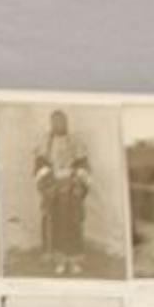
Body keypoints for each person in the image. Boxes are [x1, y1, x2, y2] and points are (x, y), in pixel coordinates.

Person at [34, 108, 90, 274]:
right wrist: (49, 183)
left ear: (66, 122)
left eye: (62, 121)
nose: (59, 124)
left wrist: (78, 182)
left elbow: (83, 165)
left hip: (72, 188)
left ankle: (73, 261)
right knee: (55, 223)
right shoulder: (45, 143)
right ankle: (58, 260)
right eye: (55, 121)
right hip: (54, 189)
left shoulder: (75, 142)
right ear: (51, 123)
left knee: (73, 223)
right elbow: (40, 165)